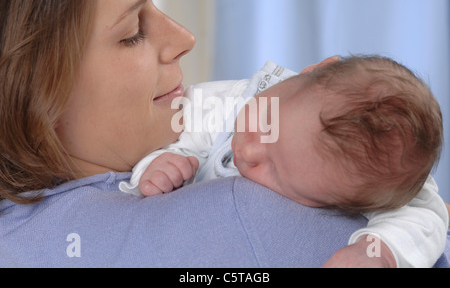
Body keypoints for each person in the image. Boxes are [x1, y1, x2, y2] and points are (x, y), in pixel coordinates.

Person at [0, 0, 448, 268]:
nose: (185, 37)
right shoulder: (247, 213)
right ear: (36, 91)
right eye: (133, 33)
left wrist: (386, 246)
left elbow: (420, 211)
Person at [122, 56, 449, 268]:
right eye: (266, 122)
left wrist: (378, 252)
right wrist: (160, 164)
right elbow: (167, 137)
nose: (249, 153)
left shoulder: (366, 179)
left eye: (276, 171)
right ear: (312, 70)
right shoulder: (223, 103)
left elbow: (425, 215)